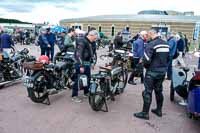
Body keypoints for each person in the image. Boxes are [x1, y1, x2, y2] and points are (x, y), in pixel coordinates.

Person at [134, 28, 170, 120]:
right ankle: (159, 110)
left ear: (151, 34)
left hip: (152, 72)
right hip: (162, 72)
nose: (147, 37)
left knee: (147, 92)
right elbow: (169, 58)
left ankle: (145, 113)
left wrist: (146, 67)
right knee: (159, 91)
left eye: (148, 35)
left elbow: (146, 60)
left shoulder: (151, 44)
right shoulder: (166, 44)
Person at [72, 30, 98, 103]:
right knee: (78, 79)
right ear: (91, 35)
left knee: (88, 78)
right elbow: (78, 54)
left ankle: (86, 92)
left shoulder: (89, 42)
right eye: (95, 38)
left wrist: (92, 62)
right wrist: (81, 65)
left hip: (86, 62)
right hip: (80, 63)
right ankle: (74, 96)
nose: (95, 40)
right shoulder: (82, 41)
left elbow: (90, 52)